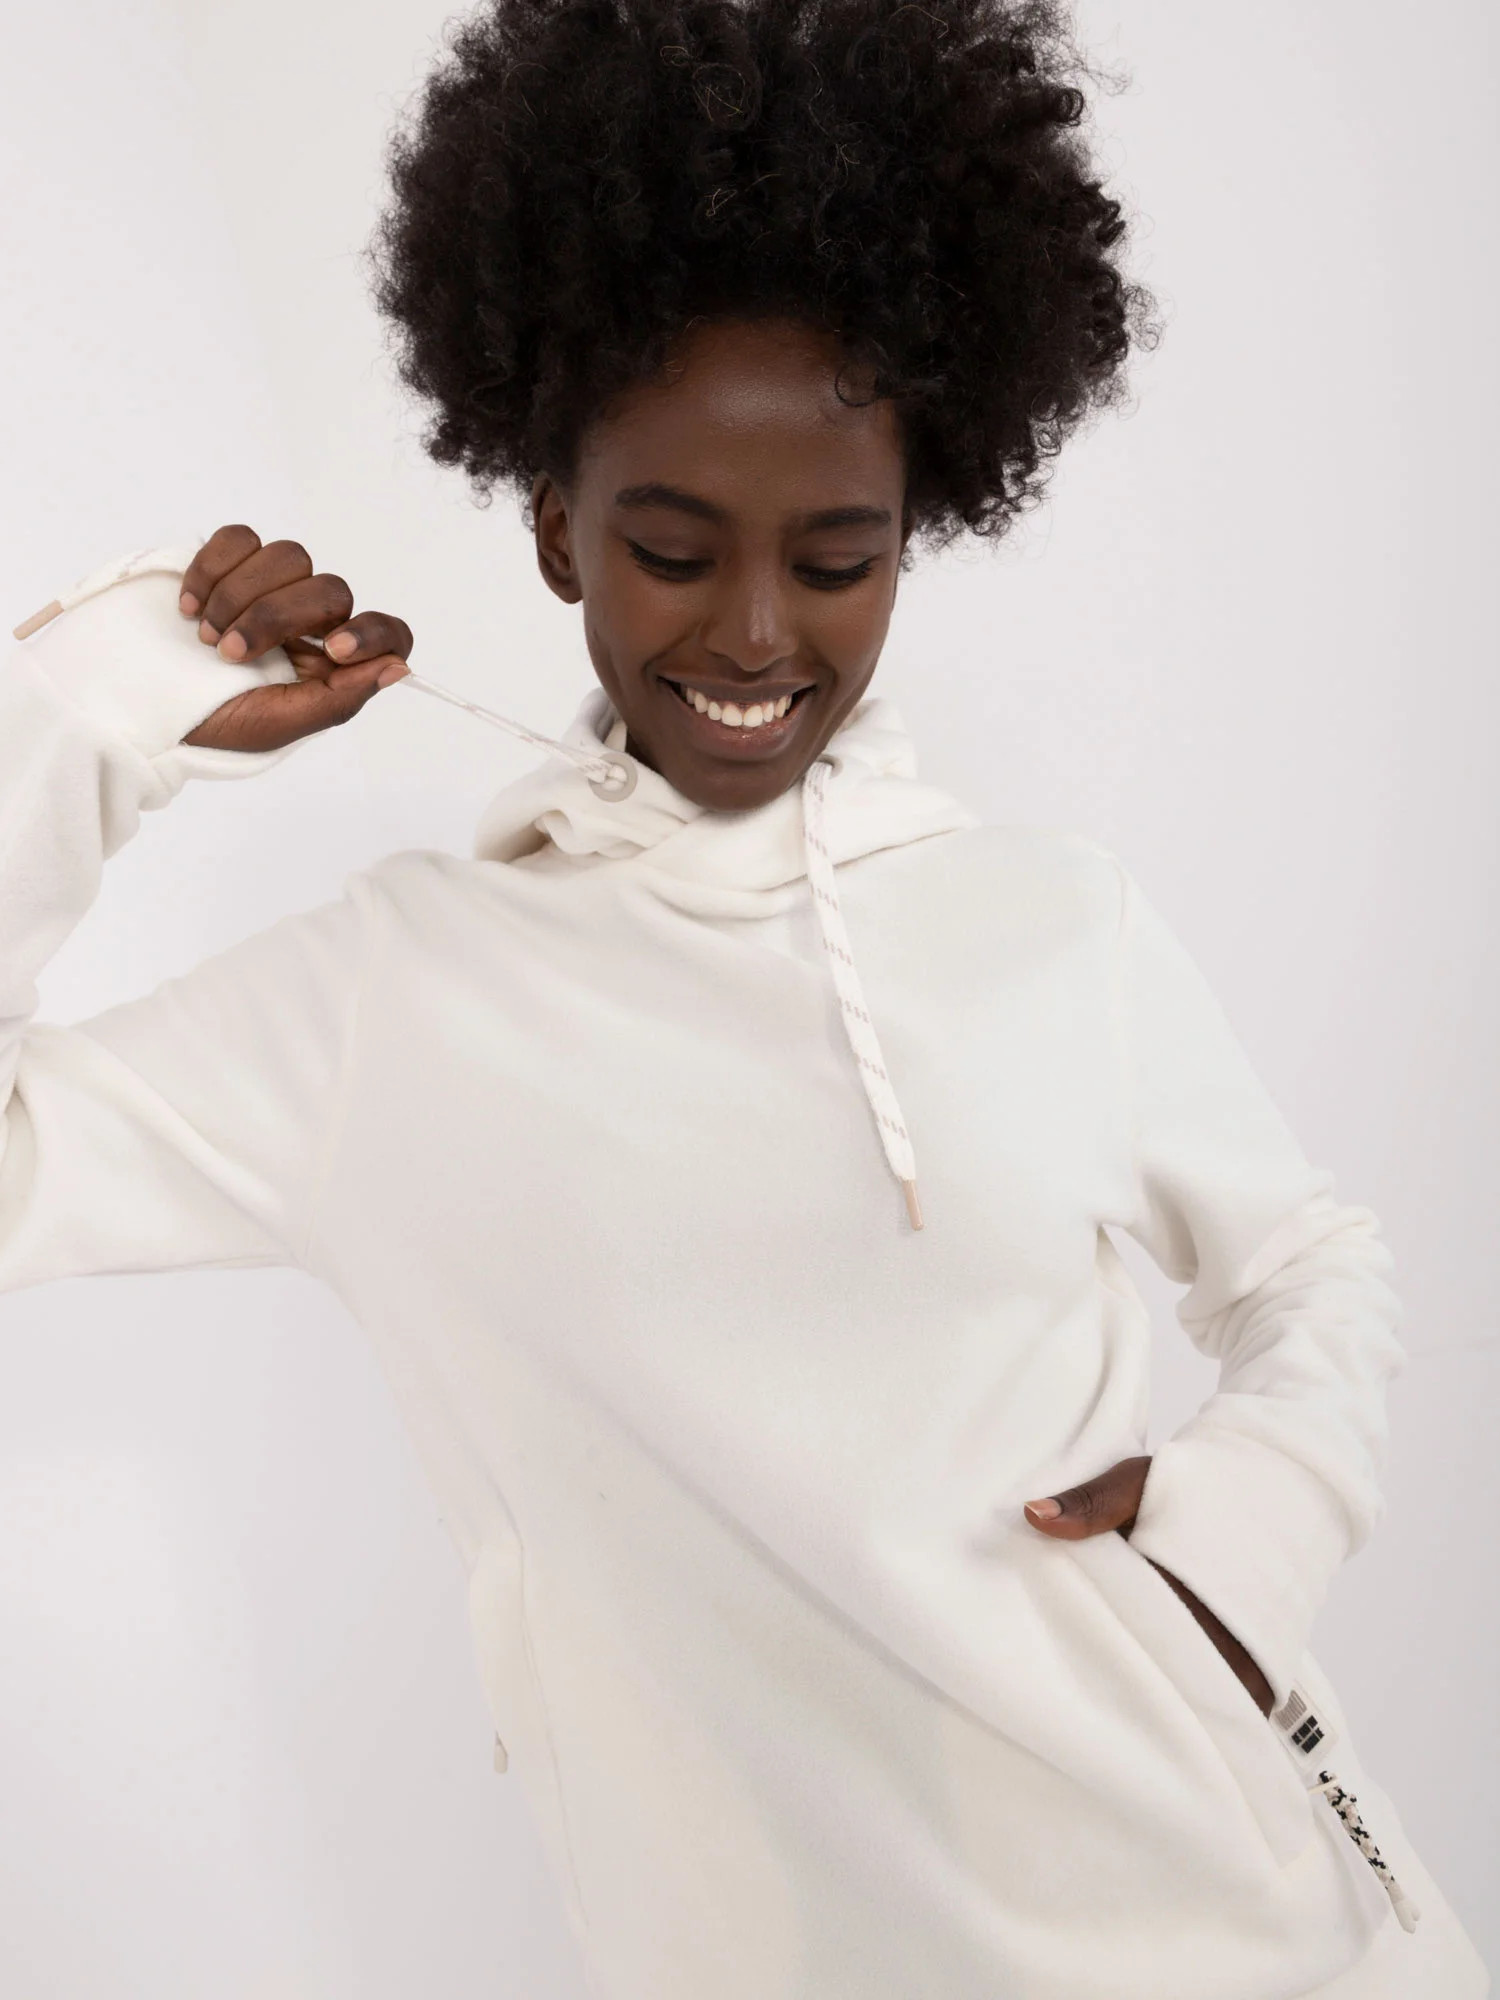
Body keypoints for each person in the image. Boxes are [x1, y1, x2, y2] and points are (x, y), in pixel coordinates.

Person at [0, 0, 1488, 1993]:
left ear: (917, 536)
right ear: (557, 528)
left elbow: (1312, 1267)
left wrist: (1253, 1526)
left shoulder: (1051, 920)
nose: (760, 636)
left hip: (1263, 1942)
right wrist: (86, 716)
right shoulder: (395, 1001)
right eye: (673, 549)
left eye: (841, 560)